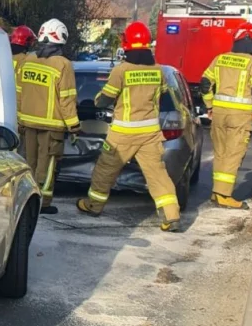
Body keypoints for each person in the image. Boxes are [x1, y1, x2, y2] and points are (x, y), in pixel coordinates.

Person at [77, 22, 182, 232]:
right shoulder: (158, 70)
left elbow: (105, 98)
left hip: (123, 133)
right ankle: (171, 214)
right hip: (150, 134)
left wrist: (96, 100)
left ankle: (94, 205)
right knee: (157, 174)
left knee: (105, 170)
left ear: (126, 44)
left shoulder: (121, 70)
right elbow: (160, 95)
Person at [199, 21, 252, 209]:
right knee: (233, 155)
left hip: (218, 115)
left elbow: (204, 84)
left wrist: (209, 106)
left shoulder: (220, 59)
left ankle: (217, 193)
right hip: (239, 117)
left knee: (221, 153)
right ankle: (224, 196)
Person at [16, 18, 80, 214]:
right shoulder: (63, 64)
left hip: (27, 123)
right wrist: (74, 126)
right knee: (47, 165)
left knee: (29, 162)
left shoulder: (28, 60)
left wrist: (19, 119)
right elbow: (67, 99)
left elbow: (19, 92)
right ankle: (42, 203)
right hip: (51, 126)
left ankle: (24, 200)